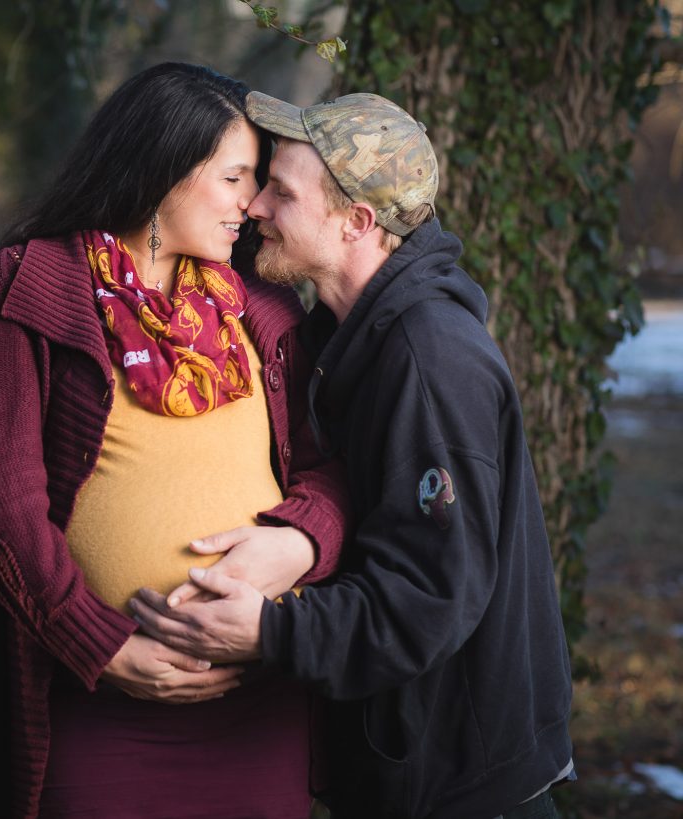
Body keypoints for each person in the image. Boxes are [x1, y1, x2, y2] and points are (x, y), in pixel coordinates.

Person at [130, 91, 575, 819]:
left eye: (282, 191)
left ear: (358, 223)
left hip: (459, 785)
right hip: (408, 766)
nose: (257, 207)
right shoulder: (351, 336)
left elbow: (431, 596)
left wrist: (272, 630)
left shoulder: (427, 359)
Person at [0, 62, 349, 819]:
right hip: (92, 699)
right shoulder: (23, 288)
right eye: (235, 178)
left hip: (259, 705)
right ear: (165, 167)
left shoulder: (261, 303)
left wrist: (299, 544)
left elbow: (330, 468)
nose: (253, 204)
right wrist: (102, 644)